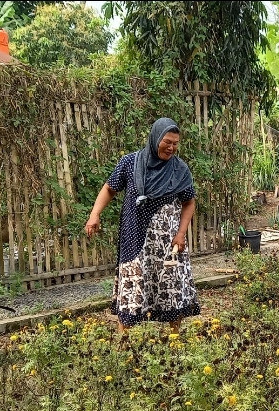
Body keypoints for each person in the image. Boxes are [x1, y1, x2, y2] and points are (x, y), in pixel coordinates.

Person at [85, 117, 200, 332]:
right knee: (132, 283)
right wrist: (95, 214)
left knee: (170, 284)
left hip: (168, 242)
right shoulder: (131, 163)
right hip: (134, 238)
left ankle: (175, 339)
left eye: (176, 143)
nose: (171, 147)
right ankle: (123, 344)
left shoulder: (180, 170)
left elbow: (189, 202)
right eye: (167, 142)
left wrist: (181, 233)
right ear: (155, 138)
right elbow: (110, 188)